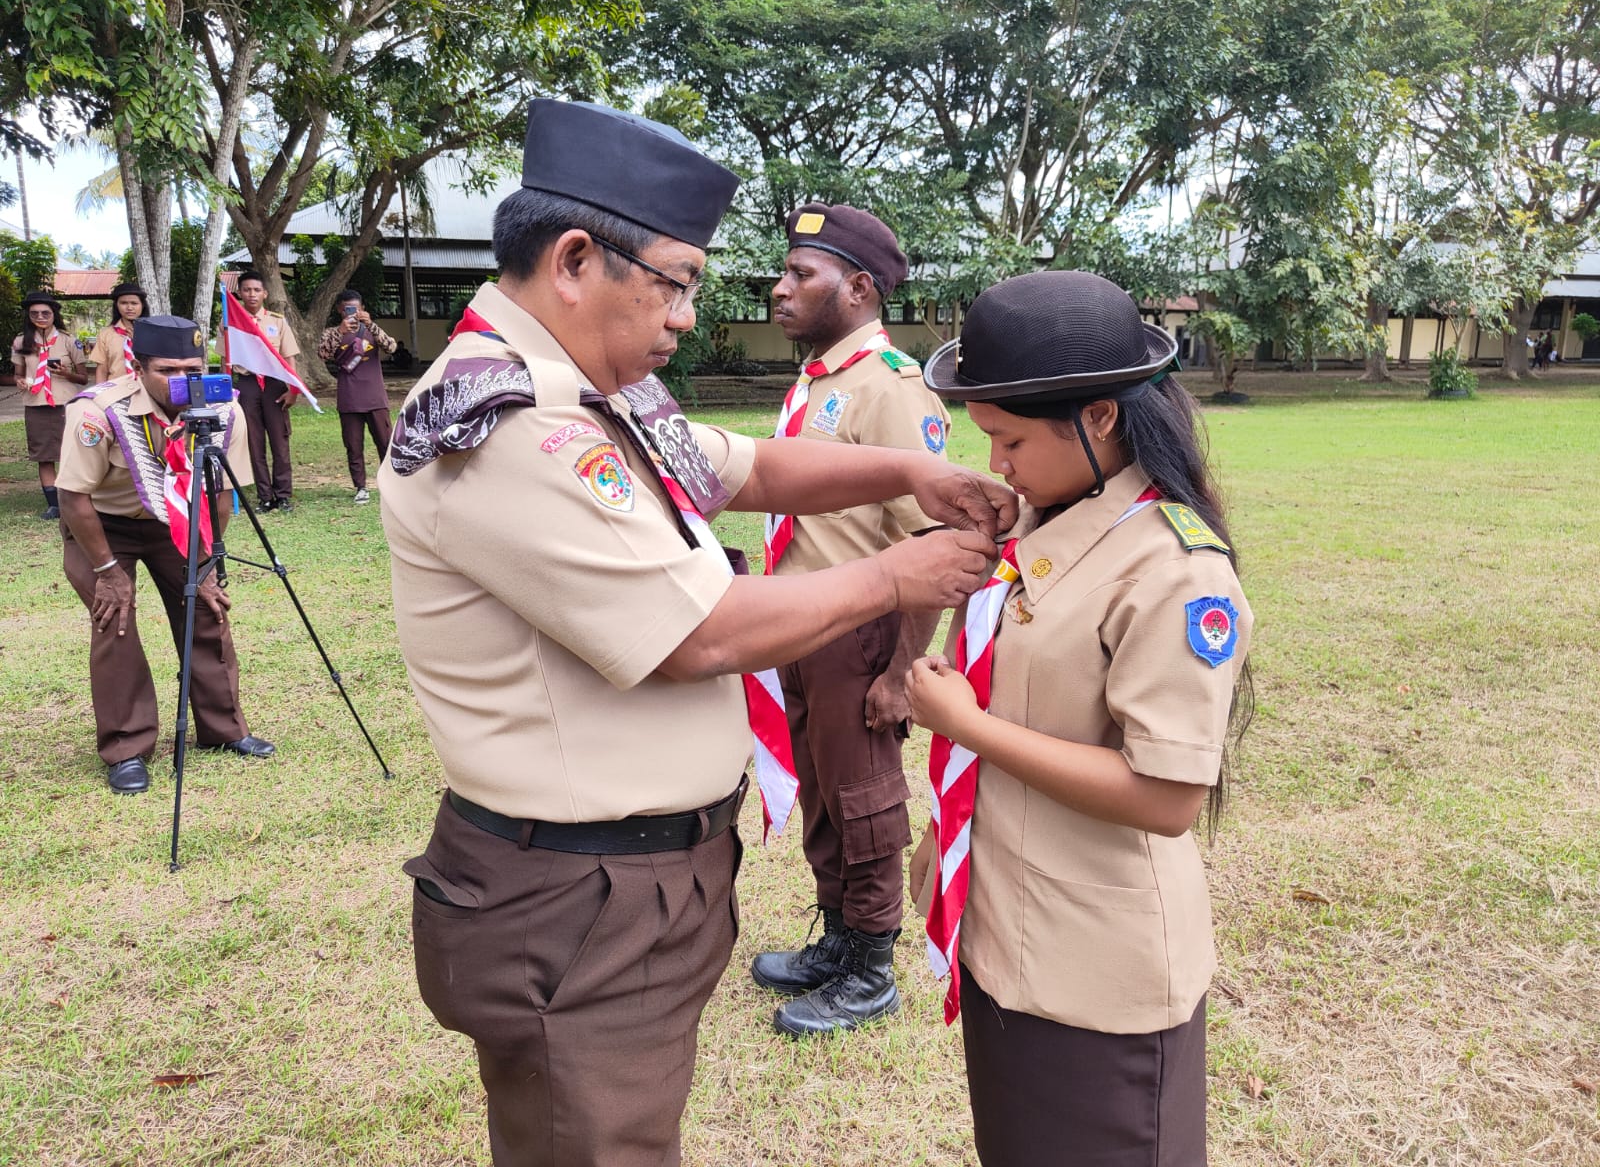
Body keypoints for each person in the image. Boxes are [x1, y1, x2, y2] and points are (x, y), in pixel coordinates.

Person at [378, 97, 1015, 1167]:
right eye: (676, 281)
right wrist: (903, 568)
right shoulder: (514, 425)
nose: (685, 314)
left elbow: (754, 468)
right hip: (576, 895)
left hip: (623, 879)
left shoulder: (593, 395)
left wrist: (910, 469)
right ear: (577, 259)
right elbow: (700, 635)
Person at [904, 271, 1255, 1166]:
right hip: (1006, 934)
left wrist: (967, 727)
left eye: (1011, 441)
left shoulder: (1174, 572)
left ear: (1100, 418)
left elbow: (1167, 796)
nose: (997, 466)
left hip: (1097, 970)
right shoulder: (1045, 529)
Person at [748, 203, 953, 1037]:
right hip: (801, 623)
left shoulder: (891, 387)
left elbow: (938, 541)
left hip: (860, 633)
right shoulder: (819, 382)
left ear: (861, 287)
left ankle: (872, 965)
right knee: (828, 797)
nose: (779, 286)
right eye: (785, 270)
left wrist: (902, 669)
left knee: (865, 798)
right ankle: (838, 939)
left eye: (802, 274)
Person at [56, 315, 276, 795]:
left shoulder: (225, 409)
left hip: (176, 520)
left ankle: (223, 730)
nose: (183, 383)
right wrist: (108, 571)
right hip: (102, 526)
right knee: (114, 620)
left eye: (193, 370)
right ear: (137, 366)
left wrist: (208, 562)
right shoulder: (98, 412)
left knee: (206, 610)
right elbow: (73, 497)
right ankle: (127, 747)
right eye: (169, 371)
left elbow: (220, 493)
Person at [228, 271, 303, 513]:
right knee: (254, 441)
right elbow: (225, 361)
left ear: (265, 294)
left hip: (274, 385)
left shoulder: (277, 321)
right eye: (247, 290)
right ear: (239, 293)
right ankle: (265, 497)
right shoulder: (231, 322)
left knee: (280, 441)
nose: (251, 294)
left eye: (256, 290)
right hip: (247, 385)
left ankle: (282, 495)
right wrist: (228, 392)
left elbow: (289, 357)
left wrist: (293, 391)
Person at [12, 291, 90, 519]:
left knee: (72, 453)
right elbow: (17, 373)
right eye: (35, 313)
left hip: (66, 405)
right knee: (44, 456)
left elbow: (84, 377)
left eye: (46, 313)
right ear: (29, 316)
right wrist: (20, 380)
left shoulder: (68, 340)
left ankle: (74, 500)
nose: (41, 317)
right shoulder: (20, 342)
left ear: (54, 315)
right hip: (36, 405)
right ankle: (53, 504)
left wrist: (66, 373)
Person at [318, 288, 396, 504]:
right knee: (353, 445)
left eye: (355, 309)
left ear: (363, 309)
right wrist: (340, 332)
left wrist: (370, 324)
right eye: (346, 310)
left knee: (385, 442)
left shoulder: (371, 330)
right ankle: (360, 487)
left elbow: (391, 346)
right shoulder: (332, 332)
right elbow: (322, 354)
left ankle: (392, 484)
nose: (351, 313)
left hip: (375, 397)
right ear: (339, 311)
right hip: (349, 398)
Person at [86, 282, 149, 384]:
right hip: (116, 391)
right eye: (124, 303)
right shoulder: (106, 334)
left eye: (134, 303)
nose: (129, 307)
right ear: (117, 306)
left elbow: (159, 364)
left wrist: (138, 342)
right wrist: (100, 396)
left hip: (146, 390)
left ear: (142, 306)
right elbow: (102, 370)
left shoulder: (154, 332)